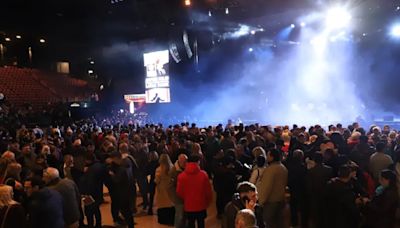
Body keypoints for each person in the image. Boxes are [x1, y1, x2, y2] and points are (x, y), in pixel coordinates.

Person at [177, 155, 212, 228]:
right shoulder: (203, 175)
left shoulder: (181, 176)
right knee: (201, 223)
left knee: (190, 223)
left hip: (189, 205)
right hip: (201, 204)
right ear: (198, 162)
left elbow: (179, 191)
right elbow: (208, 191)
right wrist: (207, 202)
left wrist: (186, 198)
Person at [257, 148, 288, 228]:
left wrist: (260, 201)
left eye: (268, 155)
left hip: (271, 202)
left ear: (272, 157)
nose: (266, 157)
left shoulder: (271, 170)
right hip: (281, 200)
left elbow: (266, 187)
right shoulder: (283, 168)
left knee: (269, 224)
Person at [306, 152, 333, 228]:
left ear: (314, 160)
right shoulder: (329, 169)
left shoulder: (311, 171)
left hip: (315, 196)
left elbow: (309, 186)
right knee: (325, 214)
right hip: (326, 195)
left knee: (316, 215)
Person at [80, 153, 106, 228]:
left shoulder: (90, 170)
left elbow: (88, 183)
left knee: (89, 212)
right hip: (98, 192)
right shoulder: (99, 166)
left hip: (89, 194)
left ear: (88, 160)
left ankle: (90, 225)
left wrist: (85, 194)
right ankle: (98, 225)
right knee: (96, 210)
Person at [168, 153, 188, 228]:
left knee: (185, 216)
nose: (185, 163)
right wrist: (176, 197)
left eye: (186, 161)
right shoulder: (174, 171)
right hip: (178, 198)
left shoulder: (186, 168)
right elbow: (170, 187)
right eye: (183, 162)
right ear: (179, 161)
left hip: (186, 197)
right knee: (179, 216)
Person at [155, 154, 175, 225]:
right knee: (171, 203)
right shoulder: (172, 167)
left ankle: (164, 220)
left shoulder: (159, 170)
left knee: (163, 205)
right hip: (171, 189)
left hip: (162, 189)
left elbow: (157, 181)